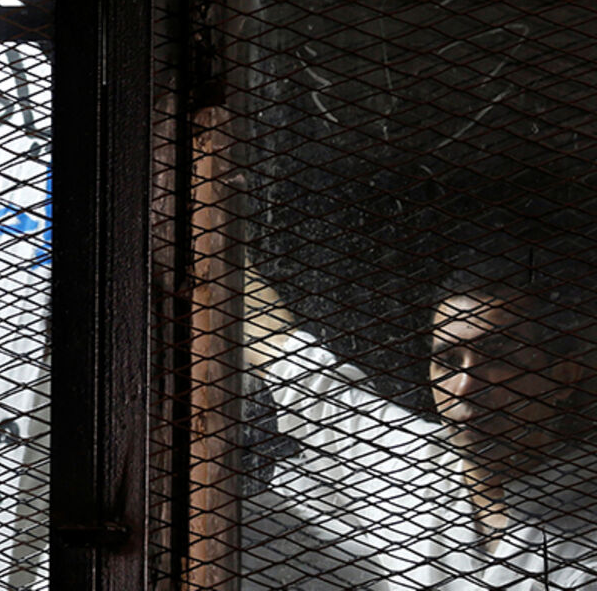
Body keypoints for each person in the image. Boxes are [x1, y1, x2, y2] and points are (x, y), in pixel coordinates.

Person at [246, 237, 597, 589]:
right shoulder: (408, 464)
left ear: (563, 376)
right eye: (447, 362)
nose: (464, 387)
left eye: (498, 359)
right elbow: (285, 355)